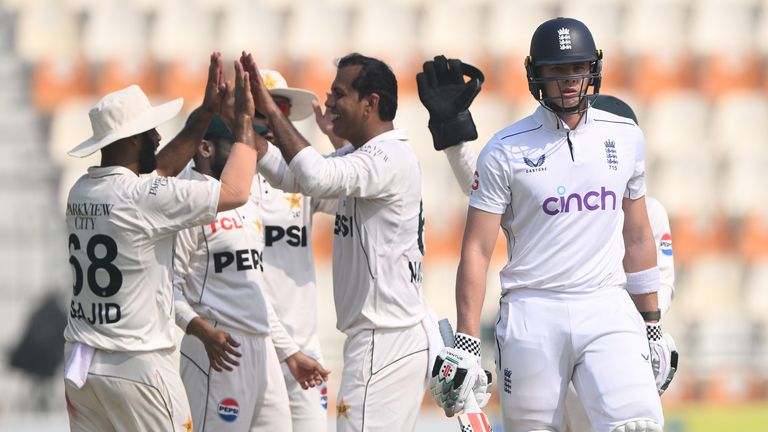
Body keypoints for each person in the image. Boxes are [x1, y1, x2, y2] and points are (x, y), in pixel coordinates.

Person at [423, 18, 677, 432]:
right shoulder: (505, 149)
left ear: (592, 68)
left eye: (577, 68)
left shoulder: (626, 136)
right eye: (556, 71)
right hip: (532, 311)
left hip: (606, 304)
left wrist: (650, 324)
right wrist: (467, 341)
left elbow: (637, 234)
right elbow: (476, 249)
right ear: (536, 75)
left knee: (639, 425)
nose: (569, 80)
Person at [62, 52, 260, 431]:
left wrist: (204, 114)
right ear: (133, 140)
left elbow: (162, 168)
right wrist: (244, 124)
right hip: (138, 364)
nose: (158, 136)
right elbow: (234, 191)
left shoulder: (81, 190)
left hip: (84, 364)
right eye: (151, 131)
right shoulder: (142, 197)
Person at [242, 52, 437, 432]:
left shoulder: (385, 157)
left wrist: (270, 110)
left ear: (371, 103)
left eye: (339, 93)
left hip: (384, 339)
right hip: (384, 337)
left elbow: (316, 177)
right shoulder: (365, 156)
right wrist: (251, 134)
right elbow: (294, 179)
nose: (328, 101)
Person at [173, 110, 330, 431]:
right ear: (205, 149)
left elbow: (255, 290)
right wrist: (202, 331)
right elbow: (165, 287)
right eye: (236, 143)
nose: (249, 153)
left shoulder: (244, 200)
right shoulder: (186, 199)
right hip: (219, 350)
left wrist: (289, 353)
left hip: (263, 350)